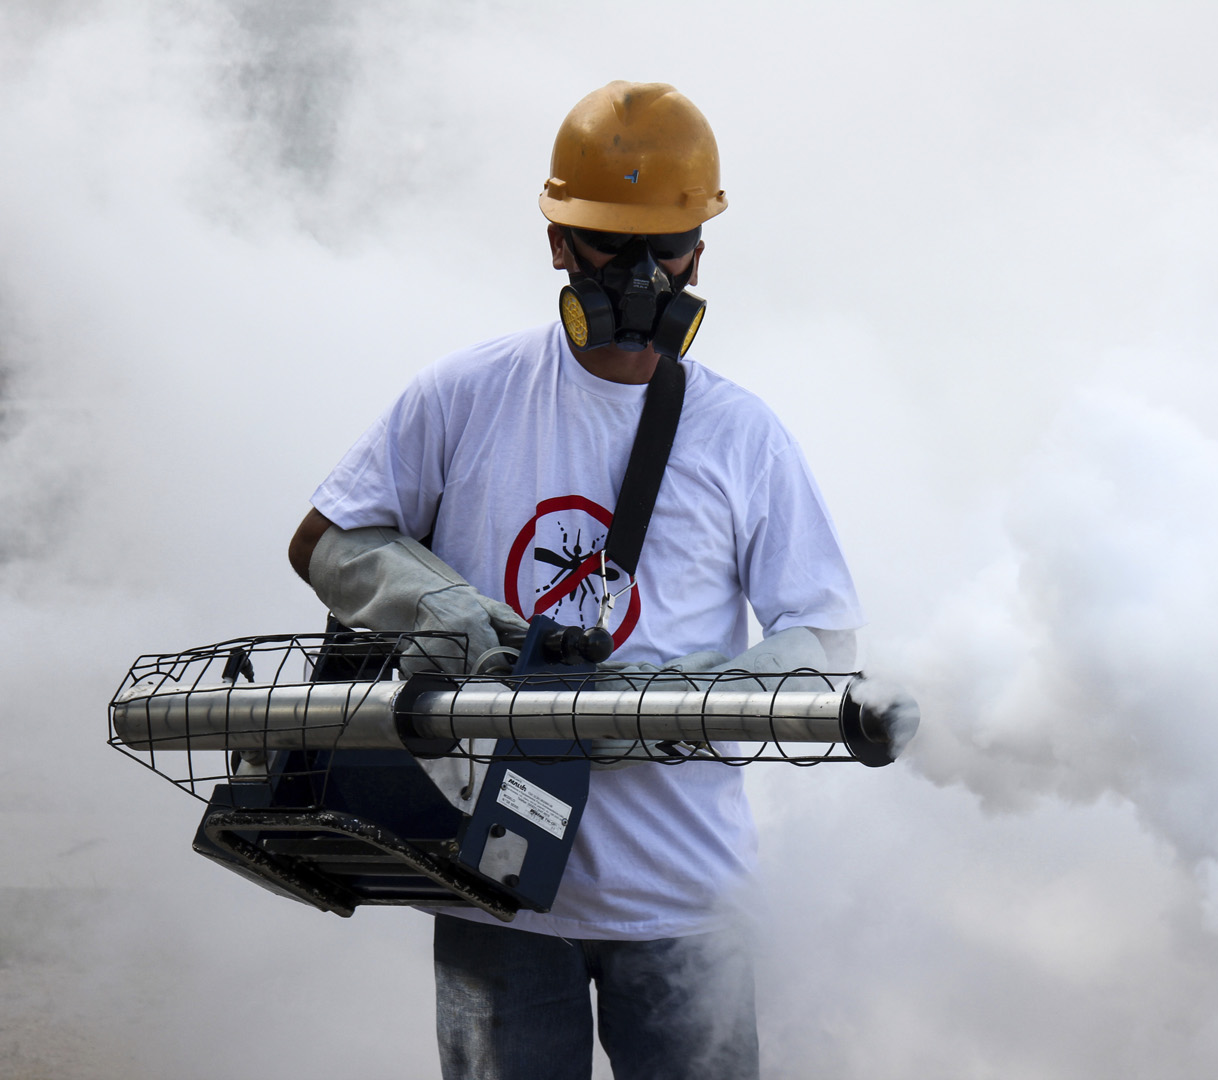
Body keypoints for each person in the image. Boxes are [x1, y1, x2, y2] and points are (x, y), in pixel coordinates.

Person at [286, 81, 863, 1080]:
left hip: (687, 899)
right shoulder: (464, 398)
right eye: (611, 243)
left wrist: (704, 697)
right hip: (495, 891)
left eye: (669, 243)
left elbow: (824, 634)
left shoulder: (741, 434)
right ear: (558, 243)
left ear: (700, 249)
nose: (644, 274)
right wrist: (462, 624)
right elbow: (329, 541)